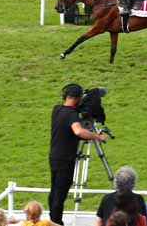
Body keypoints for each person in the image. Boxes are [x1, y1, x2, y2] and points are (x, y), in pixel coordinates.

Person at [49, 83, 108, 225]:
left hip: (54, 156)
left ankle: (53, 219)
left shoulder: (56, 109)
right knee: (60, 194)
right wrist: (98, 137)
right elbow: (78, 131)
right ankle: (56, 222)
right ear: (77, 98)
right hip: (65, 159)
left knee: (55, 191)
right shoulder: (72, 115)